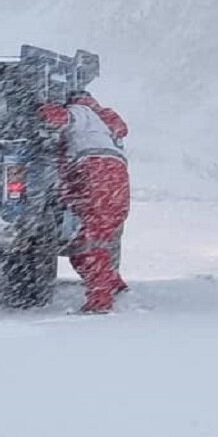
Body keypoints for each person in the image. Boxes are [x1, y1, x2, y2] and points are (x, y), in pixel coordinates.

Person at [39, 92, 130, 314]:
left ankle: (100, 300)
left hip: (95, 172)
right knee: (106, 235)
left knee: (87, 244)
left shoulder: (80, 112)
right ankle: (112, 282)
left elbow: (56, 118)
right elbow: (122, 129)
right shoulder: (104, 117)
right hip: (117, 177)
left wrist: (41, 107)